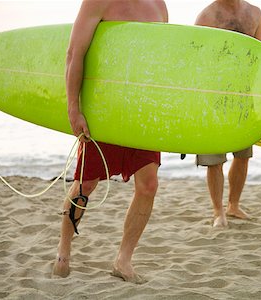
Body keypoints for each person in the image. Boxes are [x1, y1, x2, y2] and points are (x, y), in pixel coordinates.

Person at [52, 0, 168, 284]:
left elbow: (162, 62)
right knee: (87, 183)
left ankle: (123, 260)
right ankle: (63, 252)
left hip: (143, 111)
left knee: (149, 185)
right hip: (105, 109)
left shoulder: (159, 4)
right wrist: (73, 108)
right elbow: (74, 54)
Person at [194, 0, 261, 228]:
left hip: (243, 96)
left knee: (243, 155)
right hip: (213, 96)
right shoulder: (207, 16)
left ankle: (233, 205)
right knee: (214, 159)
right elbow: (196, 60)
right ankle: (218, 212)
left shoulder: (254, 13)